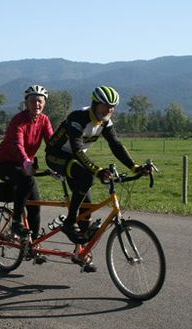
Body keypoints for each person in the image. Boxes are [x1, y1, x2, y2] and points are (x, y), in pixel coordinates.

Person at [46, 86, 150, 248]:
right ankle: (69, 222)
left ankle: (81, 251)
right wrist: (97, 170)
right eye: (105, 105)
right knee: (87, 177)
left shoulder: (105, 121)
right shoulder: (78, 118)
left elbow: (115, 145)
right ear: (95, 103)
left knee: (87, 203)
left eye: (112, 106)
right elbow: (77, 149)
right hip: (56, 156)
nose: (109, 109)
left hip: (76, 159)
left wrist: (134, 167)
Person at [0, 85, 54, 241]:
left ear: (44, 103)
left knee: (35, 204)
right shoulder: (18, 120)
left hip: (24, 165)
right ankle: (16, 222)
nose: (36, 104)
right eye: (32, 101)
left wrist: (61, 163)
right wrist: (26, 161)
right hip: (4, 163)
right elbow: (17, 144)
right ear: (26, 103)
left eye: (40, 101)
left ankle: (33, 243)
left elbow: (53, 144)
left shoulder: (44, 120)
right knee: (26, 180)